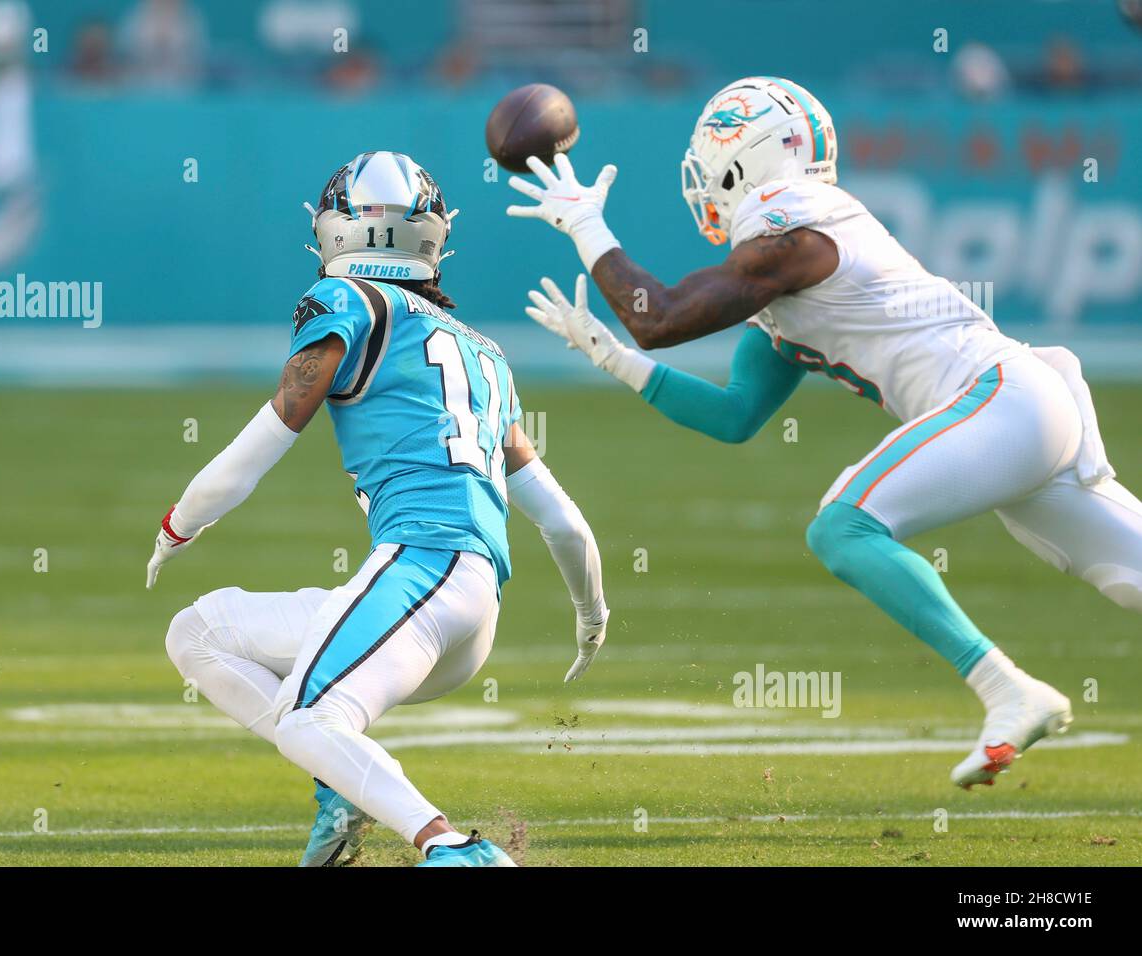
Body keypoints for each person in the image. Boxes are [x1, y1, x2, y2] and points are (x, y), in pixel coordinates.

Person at [505, 76, 1142, 789]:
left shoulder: (791, 223)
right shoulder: (787, 271)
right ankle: (1011, 691)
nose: (706, 189)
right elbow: (734, 415)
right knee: (1133, 578)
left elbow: (662, 317)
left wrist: (589, 230)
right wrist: (612, 358)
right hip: (1021, 411)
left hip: (1001, 400)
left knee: (844, 526)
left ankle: (1007, 689)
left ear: (742, 161)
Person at [147, 151, 609, 864]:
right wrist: (591, 616)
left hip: (422, 570)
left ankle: (451, 846)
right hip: (467, 607)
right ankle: (345, 786)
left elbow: (263, 441)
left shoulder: (348, 304)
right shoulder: (485, 354)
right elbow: (563, 523)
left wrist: (183, 520)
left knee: (308, 719)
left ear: (334, 229)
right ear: (432, 235)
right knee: (199, 633)